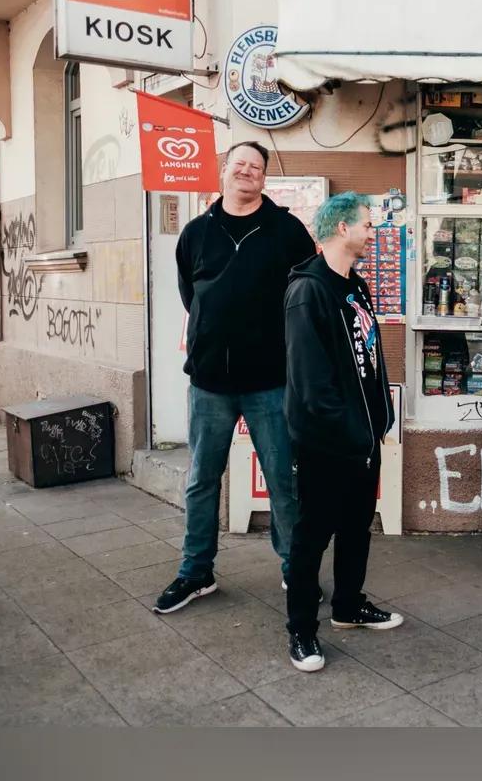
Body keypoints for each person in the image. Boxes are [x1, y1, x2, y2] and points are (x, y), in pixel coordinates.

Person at [155, 142, 315, 614]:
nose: (247, 173)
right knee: (202, 479)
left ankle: (296, 570)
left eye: (256, 168)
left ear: (264, 178)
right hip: (208, 383)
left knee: (283, 480)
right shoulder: (196, 233)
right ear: (224, 171)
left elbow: (305, 294)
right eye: (239, 165)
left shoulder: (287, 231)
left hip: (270, 381)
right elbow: (193, 296)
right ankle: (195, 572)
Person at [283, 192, 402, 673]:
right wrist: (352, 431)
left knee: (356, 527)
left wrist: (380, 418)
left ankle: (349, 606)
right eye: (367, 226)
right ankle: (301, 631)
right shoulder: (308, 291)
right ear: (341, 229)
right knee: (312, 535)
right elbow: (313, 384)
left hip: (361, 439)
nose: (372, 234)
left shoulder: (356, 285)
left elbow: (367, 360)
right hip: (326, 442)